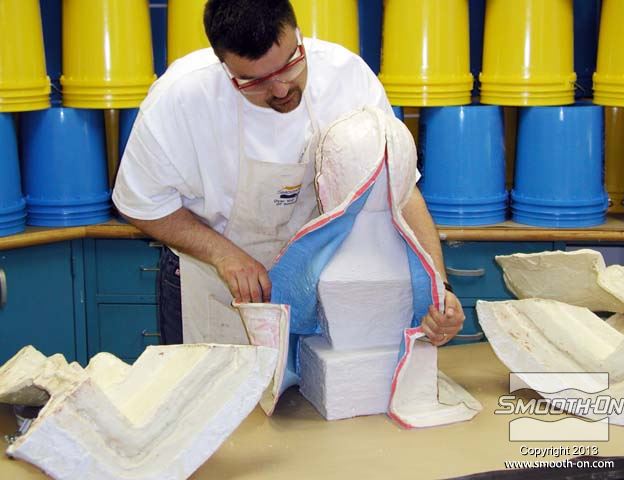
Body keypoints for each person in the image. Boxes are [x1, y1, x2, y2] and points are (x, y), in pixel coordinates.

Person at [112, 0, 464, 348]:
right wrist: (223, 254)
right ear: (224, 65)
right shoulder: (178, 100)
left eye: (289, 65)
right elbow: (140, 203)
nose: (280, 90)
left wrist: (440, 289)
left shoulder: (348, 79)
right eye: (254, 81)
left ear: (298, 33)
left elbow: (398, 189)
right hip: (212, 282)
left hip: (314, 281)